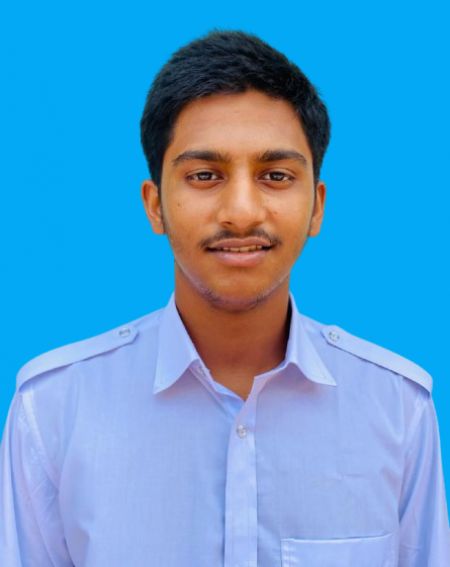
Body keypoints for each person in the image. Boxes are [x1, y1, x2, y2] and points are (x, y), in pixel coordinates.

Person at [1, 30, 449, 567]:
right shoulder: (54, 410)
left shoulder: (398, 408)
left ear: (316, 206)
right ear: (155, 204)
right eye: (205, 175)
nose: (241, 211)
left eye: (275, 175)